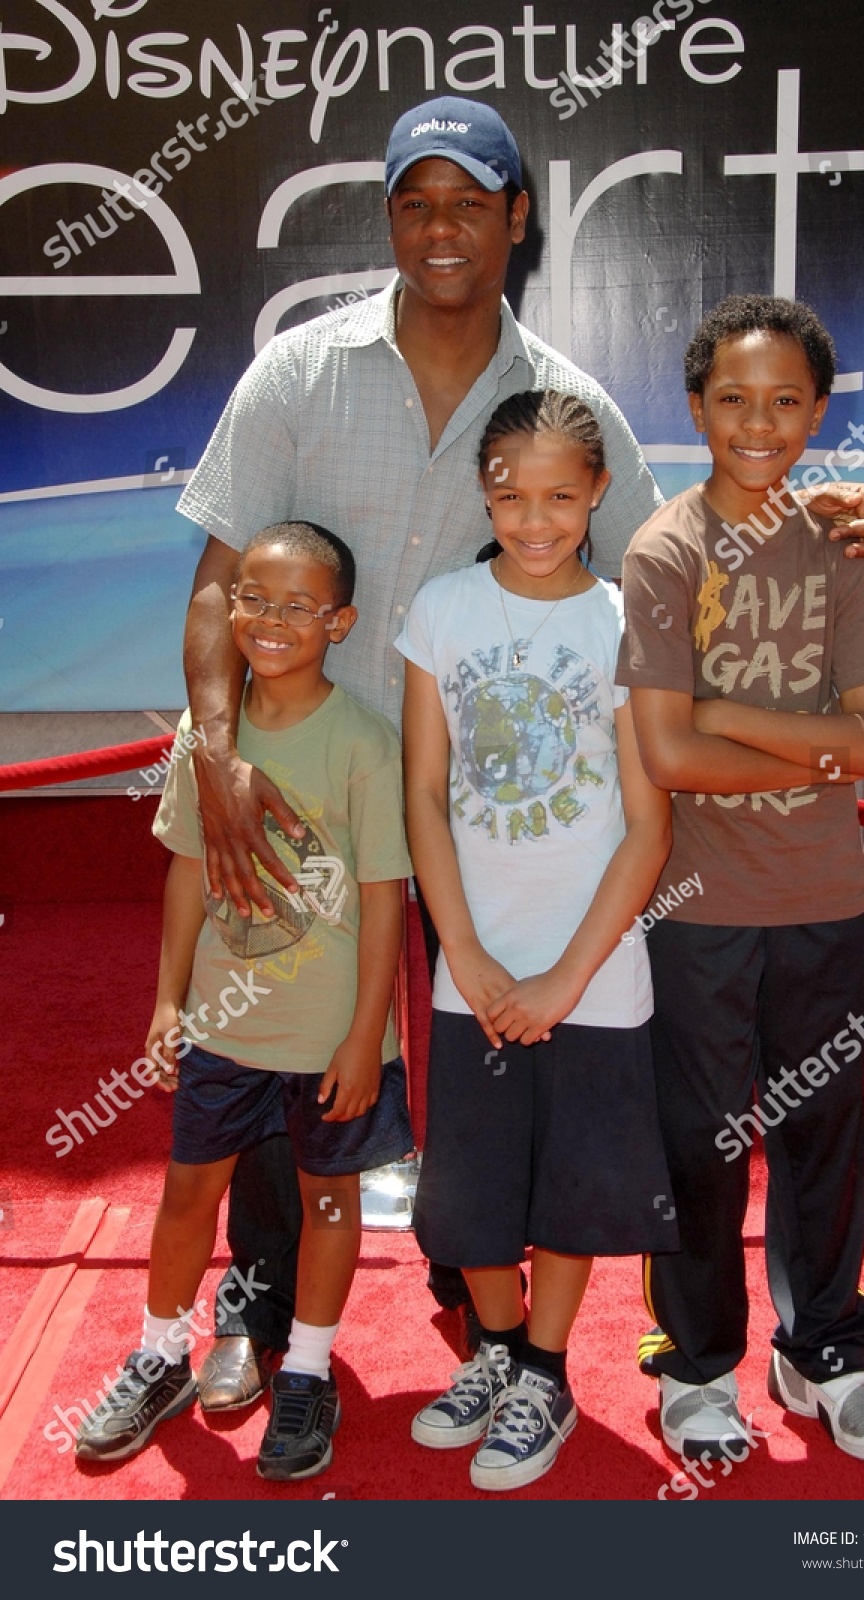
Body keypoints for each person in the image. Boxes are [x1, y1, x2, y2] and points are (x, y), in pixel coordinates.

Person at [174, 92, 864, 1407]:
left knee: (497, 1058)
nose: (440, 226)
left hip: (492, 817)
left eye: (469, 200)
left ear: (517, 218)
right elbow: (220, 586)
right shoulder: (296, 370)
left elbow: (675, 560)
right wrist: (220, 759)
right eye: (413, 200)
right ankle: (260, 1313)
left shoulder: (563, 401)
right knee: (280, 1055)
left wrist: (816, 510)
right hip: (309, 798)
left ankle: (490, 1311)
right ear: (389, 217)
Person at [617, 294, 864, 1468]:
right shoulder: (665, 550)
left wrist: (726, 709)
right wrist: (810, 738)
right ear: (696, 410)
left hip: (824, 898)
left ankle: (826, 1350)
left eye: (785, 401)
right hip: (699, 911)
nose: (759, 422)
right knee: (698, 1144)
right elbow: (668, 754)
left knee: (823, 1133)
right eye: (734, 400)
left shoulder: (841, 548)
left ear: (816, 412)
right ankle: (695, 1366)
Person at [74, 522, 413, 1480]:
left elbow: (385, 896)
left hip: (327, 1037)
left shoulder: (364, 743)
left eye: (299, 605)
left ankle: (304, 1371)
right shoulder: (204, 737)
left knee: (329, 1204)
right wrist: (166, 1001)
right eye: (252, 599)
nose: (270, 620)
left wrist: (365, 1036)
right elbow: (187, 871)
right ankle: (156, 1354)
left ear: (339, 621)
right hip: (225, 1026)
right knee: (188, 1193)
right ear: (227, 609)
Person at [397, 390, 677, 1491]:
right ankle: (498, 1350)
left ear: (599, 492)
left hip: (596, 968)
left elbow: (650, 825)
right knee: (468, 1192)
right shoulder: (442, 609)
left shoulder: (623, 619)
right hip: (477, 960)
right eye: (511, 496)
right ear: (485, 493)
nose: (536, 517)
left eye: (561, 495)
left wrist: (567, 974)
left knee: (573, 1185)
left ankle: (548, 1376)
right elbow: (425, 793)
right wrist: (462, 952)